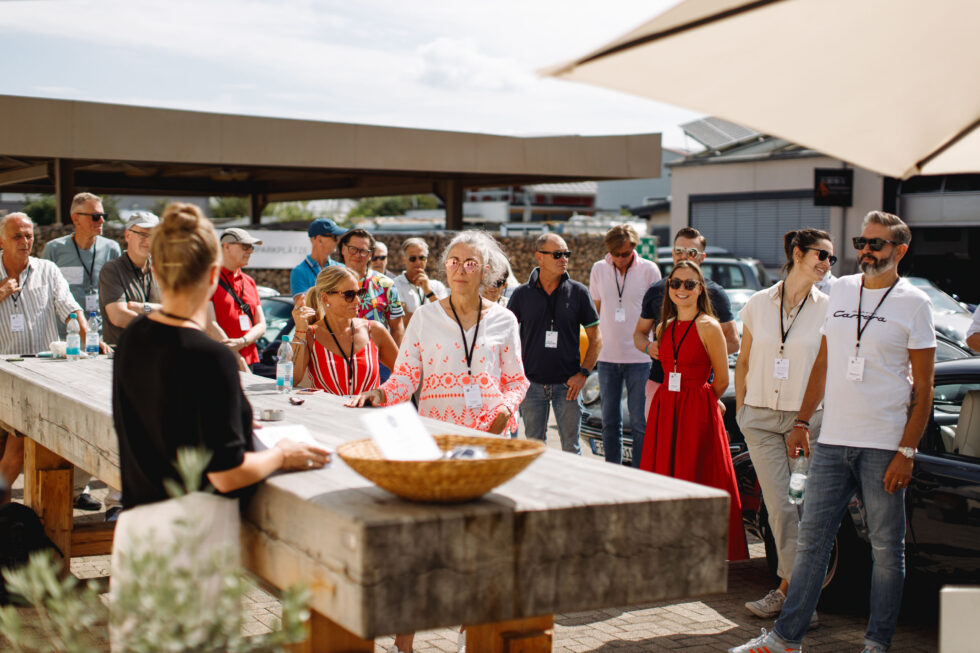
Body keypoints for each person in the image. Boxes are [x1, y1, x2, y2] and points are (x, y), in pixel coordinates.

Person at [110, 202, 329, 646]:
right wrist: (281, 455)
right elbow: (226, 473)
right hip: (192, 539)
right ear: (213, 276)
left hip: (134, 534)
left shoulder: (134, 338)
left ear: (157, 271)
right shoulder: (210, 358)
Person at [729, 212, 936, 653]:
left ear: (899, 250)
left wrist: (908, 450)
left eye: (877, 244)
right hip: (832, 440)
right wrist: (803, 421)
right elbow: (823, 361)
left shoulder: (915, 303)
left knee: (885, 551)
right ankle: (787, 638)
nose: (866, 250)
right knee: (811, 544)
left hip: (883, 445)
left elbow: (925, 387)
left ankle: (876, 643)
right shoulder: (840, 290)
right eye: (862, 241)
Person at [351, 230, 529, 653]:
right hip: (438, 442)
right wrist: (379, 394)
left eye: (471, 263)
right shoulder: (426, 318)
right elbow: (406, 378)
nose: (461, 269)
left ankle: (475, 627)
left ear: (486, 270)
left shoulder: (505, 319)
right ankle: (405, 639)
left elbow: (517, 380)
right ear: (443, 267)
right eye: (454, 261)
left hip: (488, 443)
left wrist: (505, 409)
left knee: (482, 541)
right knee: (426, 543)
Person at [734, 229, 833, 618]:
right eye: (820, 255)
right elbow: (743, 361)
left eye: (831, 258)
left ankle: (792, 594)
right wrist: (743, 412)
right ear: (796, 253)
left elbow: (826, 369)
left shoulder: (828, 307)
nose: (826, 264)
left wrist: (805, 421)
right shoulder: (759, 303)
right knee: (778, 508)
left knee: (801, 506)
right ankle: (792, 596)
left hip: (802, 423)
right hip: (758, 419)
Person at [640, 261, 748, 560]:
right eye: (676, 284)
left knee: (697, 474)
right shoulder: (664, 327)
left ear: (700, 289)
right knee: (666, 476)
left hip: (696, 408)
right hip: (666, 406)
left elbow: (722, 378)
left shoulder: (709, 326)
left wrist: (702, 404)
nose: (681, 290)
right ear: (668, 288)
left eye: (689, 284)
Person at [0, 212, 87, 503]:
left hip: (38, 374)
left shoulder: (47, 269)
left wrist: (85, 331)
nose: (25, 242)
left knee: (17, 451)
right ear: (1, 240)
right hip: (1, 373)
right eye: (17, 236)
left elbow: (69, 307)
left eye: (29, 235)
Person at [508, 233, 601, 454]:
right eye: (558, 254)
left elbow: (596, 337)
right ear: (539, 257)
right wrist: (516, 376)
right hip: (531, 386)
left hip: (568, 387)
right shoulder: (522, 294)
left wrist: (584, 374)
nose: (564, 259)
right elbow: (506, 337)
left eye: (566, 254)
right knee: (533, 449)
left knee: (571, 448)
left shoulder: (579, 292)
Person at [634, 227, 739, 417]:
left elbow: (733, 342)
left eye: (691, 252)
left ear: (702, 257)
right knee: (660, 444)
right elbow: (639, 334)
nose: (684, 256)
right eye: (678, 251)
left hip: (699, 387)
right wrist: (649, 348)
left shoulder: (716, 294)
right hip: (659, 382)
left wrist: (696, 355)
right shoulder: (656, 290)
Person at [589, 224, 661, 466]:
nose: (621, 259)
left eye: (627, 253)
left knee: (640, 422)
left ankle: (640, 472)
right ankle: (613, 470)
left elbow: (657, 313)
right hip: (607, 357)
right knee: (610, 421)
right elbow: (595, 312)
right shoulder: (599, 269)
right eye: (617, 254)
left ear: (634, 249)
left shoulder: (649, 270)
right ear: (609, 251)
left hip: (640, 358)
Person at [290, 266, 398, 395]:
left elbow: (405, 375)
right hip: (327, 414)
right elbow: (292, 379)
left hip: (368, 413)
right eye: (349, 295)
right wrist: (300, 330)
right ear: (325, 298)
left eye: (360, 293)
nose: (358, 301)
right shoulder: (309, 335)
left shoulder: (374, 330)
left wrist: (383, 395)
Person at [41, 191, 121, 339]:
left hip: (102, 335)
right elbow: (44, 294)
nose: (102, 221)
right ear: (76, 219)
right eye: (96, 216)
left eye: (104, 216)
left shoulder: (112, 249)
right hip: (66, 336)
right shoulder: (54, 249)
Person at [99, 212, 162, 347]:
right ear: (128, 235)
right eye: (143, 234)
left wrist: (139, 307)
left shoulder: (161, 269)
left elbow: (174, 310)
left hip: (157, 355)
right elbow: (119, 316)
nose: (149, 241)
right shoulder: (112, 270)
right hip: (123, 355)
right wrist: (160, 325)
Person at [210, 228, 266, 371]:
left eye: (251, 247)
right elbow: (209, 324)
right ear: (226, 246)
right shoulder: (207, 279)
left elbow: (261, 324)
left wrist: (242, 342)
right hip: (219, 361)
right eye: (245, 246)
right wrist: (238, 358)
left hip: (249, 360)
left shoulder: (249, 282)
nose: (250, 251)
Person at [337, 229, 405, 345]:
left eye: (363, 251)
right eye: (353, 249)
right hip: (338, 356)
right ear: (343, 249)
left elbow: (397, 328)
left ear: (370, 254)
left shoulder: (386, 284)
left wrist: (393, 361)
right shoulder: (330, 282)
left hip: (377, 359)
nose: (358, 255)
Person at [290, 218, 346, 300]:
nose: (337, 241)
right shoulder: (299, 272)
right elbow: (304, 306)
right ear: (319, 239)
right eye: (334, 237)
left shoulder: (342, 268)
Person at [392, 237, 448, 320]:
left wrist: (428, 291)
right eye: (412, 258)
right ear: (404, 260)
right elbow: (402, 319)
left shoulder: (437, 286)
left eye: (422, 258)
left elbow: (446, 314)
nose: (418, 262)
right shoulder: (395, 284)